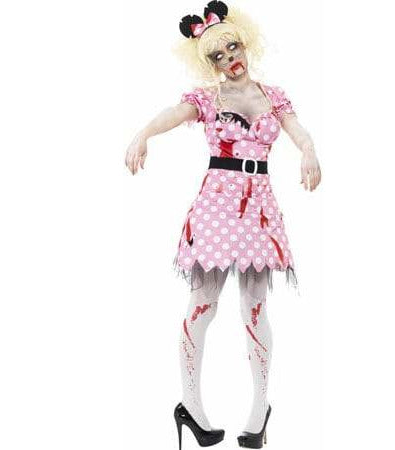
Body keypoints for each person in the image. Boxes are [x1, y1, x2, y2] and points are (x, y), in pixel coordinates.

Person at [124, 1, 321, 448]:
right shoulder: (208, 99)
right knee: (203, 302)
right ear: (208, 62)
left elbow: (298, 130)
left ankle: (259, 409)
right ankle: (190, 404)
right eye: (217, 55)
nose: (229, 58)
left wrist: (309, 151)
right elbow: (171, 115)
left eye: (233, 47)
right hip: (217, 202)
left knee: (254, 306)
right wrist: (142, 134)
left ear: (245, 44)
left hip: (259, 205)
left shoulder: (273, 96)